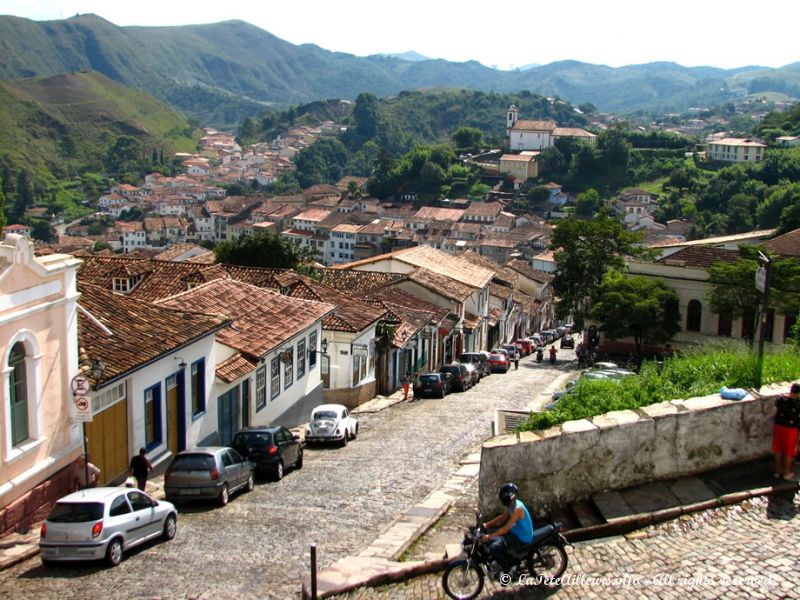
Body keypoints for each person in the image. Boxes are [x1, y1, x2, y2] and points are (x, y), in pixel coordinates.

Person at [481, 482, 534, 577]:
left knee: (494, 548)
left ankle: (508, 570)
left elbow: (505, 529)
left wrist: (489, 536)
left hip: (522, 538)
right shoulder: (512, 505)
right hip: (515, 533)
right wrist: (486, 525)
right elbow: (502, 518)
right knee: (492, 542)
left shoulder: (518, 509)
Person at [772, 383, 800, 480]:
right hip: (790, 429)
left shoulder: (781, 400)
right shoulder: (798, 403)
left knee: (778, 449)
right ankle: (786, 473)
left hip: (778, 426)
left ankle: (777, 471)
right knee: (789, 451)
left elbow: (776, 403)